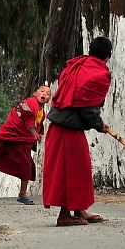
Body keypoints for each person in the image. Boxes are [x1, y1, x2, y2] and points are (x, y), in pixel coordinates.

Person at [42, 36, 112, 226]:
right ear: (108, 56)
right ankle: (64, 215)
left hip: (61, 126)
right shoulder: (98, 74)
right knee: (69, 171)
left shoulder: (78, 65)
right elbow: (87, 109)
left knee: (79, 169)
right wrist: (98, 124)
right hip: (66, 130)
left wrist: (97, 123)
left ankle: (79, 209)